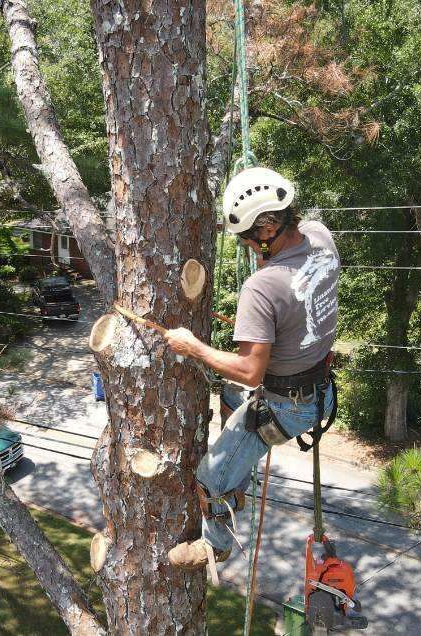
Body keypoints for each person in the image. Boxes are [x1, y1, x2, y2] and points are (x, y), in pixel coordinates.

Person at [163, 166, 341, 573]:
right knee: (228, 396)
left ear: (267, 229)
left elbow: (250, 373)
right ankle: (241, 478)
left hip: (286, 405)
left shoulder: (262, 287)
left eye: (246, 238)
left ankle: (217, 546)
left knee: (208, 479)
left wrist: (192, 346)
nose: (245, 246)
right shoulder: (320, 236)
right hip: (318, 386)